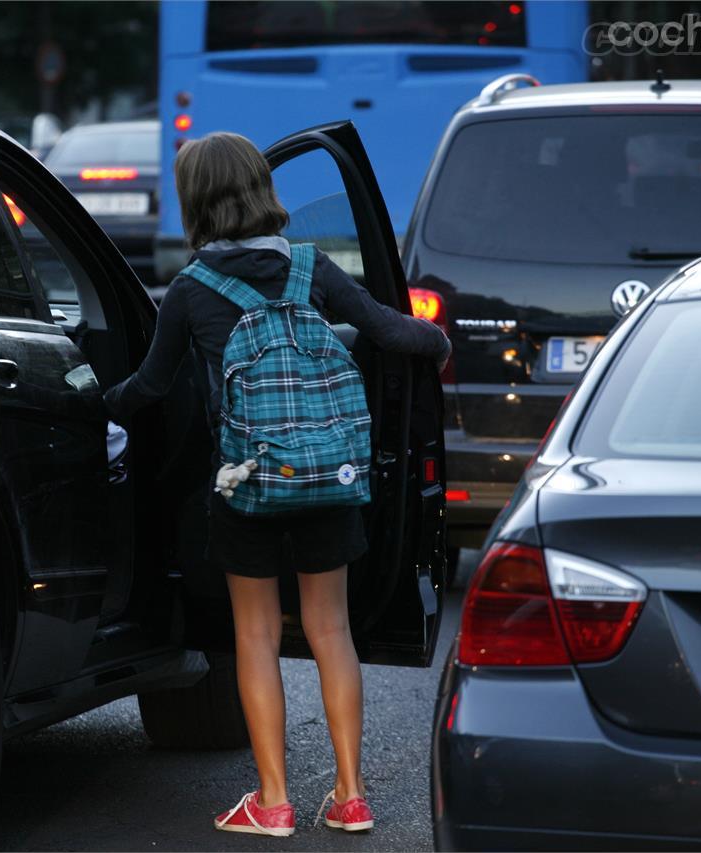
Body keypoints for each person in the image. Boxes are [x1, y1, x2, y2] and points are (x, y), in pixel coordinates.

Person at [103, 132, 450, 837]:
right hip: (331, 476)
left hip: (246, 486)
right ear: (263, 190)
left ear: (196, 200)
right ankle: (351, 797)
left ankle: (273, 801)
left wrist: (96, 403)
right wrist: (437, 347)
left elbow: (149, 387)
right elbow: (391, 330)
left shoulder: (190, 293)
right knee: (332, 630)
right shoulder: (311, 268)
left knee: (255, 634)